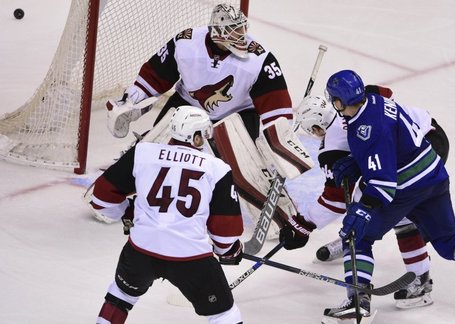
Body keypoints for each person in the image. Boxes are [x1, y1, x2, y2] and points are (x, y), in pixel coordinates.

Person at [318, 69, 455, 321]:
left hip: (406, 185)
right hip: (433, 174)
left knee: (356, 235)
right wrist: (358, 163)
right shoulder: (375, 101)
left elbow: (384, 185)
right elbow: (390, 147)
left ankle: (357, 302)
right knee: (449, 241)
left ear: (338, 102)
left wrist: (362, 210)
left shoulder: (364, 130)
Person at [98, 3, 309, 237]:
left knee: (241, 170)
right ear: (216, 33)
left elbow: (276, 108)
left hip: (238, 114)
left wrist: (280, 145)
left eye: (241, 29)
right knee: (156, 156)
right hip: (186, 105)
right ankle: (109, 195)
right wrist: (131, 100)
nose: (242, 37)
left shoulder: (260, 58)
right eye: (234, 31)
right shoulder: (185, 42)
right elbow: (154, 75)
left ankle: (280, 217)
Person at [289, 91, 448, 310]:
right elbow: (386, 94)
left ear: (316, 129)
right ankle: (420, 280)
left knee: (371, 219)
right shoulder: (358, 99)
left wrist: (303, 224)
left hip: (407, 161)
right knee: (399, 211)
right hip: (431, 137)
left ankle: (358, 273)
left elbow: (336, 201)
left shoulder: (330, 150)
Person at [92, 106, 244, 324]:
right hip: (190, 258)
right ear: (198, 137)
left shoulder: (142, 152)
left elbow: (101, 197)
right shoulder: (217, 168)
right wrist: (230, 251)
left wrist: (126, 212)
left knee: (120, 296)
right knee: (224, 314)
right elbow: (225, 231)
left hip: (141, 251)